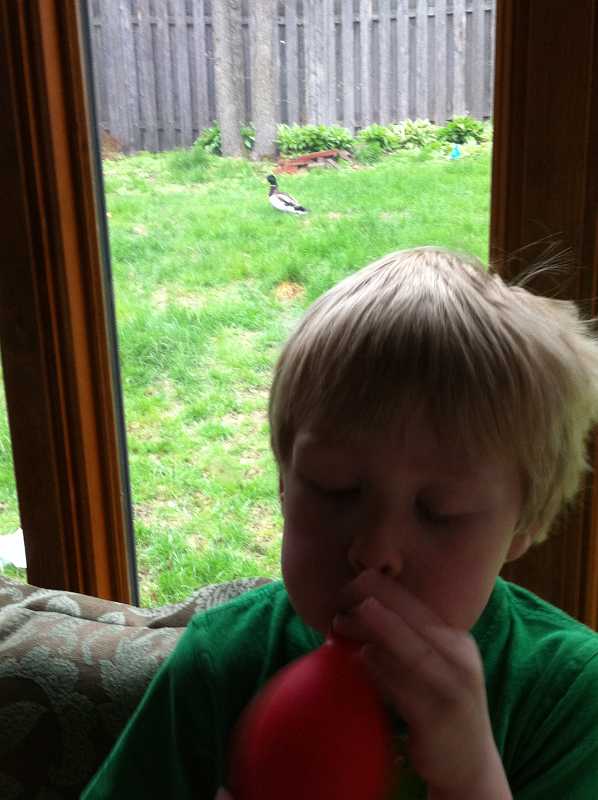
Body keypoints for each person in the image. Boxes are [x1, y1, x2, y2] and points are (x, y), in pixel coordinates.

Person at [82, 247, 598, 799]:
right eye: (335, 488)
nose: (374, 550)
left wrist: (471, 778)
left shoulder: (568, 691)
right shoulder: (222, 663)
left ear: (524, 527)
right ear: (285, 483)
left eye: (441, 511)